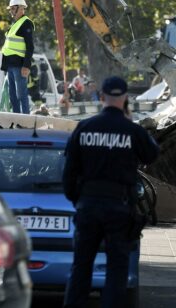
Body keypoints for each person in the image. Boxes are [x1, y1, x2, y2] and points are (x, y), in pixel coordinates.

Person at [62, 76, 160, 307]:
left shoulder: (84, 128)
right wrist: (131, 123)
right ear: (125, 98)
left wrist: (79, 199)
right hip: (119, 208)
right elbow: (152, 154)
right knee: (116, 271)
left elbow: (68, 174)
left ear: (102, 97)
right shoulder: (132, 131)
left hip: (88, 205)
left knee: (81, 267)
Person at [0, 0, 33, 114]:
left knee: (21, 95)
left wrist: (26, 66)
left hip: (19, 66)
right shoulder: (15, 24)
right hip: (10, 65)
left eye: (13, 9)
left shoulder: (26, 23)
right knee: (13, 97)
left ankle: (25, 119)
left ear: (21, 8)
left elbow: (30, 46)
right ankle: (16, 118)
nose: (11, 11)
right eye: (10, 9)